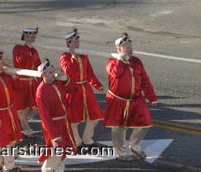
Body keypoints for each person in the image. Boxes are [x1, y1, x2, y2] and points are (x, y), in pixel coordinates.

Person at [104, 33, 158, 161]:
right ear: (119, 49)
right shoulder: (111, 63)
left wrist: (151, 96)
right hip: (118, 101)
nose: (130, 48)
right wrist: (120, 60)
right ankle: (121, 153)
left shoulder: (137, 61)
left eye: (130, 45)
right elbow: (116, 74)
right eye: (126, 46)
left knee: (145, 123)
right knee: (118, 128)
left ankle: (135, 145)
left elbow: (144, 80)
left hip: (136, 99)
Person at [59, 29, 104, 151]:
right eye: (73, 42)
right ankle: (76, 141)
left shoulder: (83, 55)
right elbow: (68, 71)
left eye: (77, 41)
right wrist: (73, 57)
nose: (76, 44)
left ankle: (87, 138)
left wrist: (97, 85)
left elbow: (89, 72)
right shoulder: (64, 57)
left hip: (85, 89)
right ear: (68, 43)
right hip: (72, 90)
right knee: (73, 119)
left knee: (95, 116)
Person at [35, 58, 77, 172]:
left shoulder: (58, 83)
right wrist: (54, 134)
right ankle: (47, 169)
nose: (53, 74)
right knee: (58, 149)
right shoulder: (40, 92)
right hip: (52, 125)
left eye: (53, 72)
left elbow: (74, 89)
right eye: (49, 73)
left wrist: (66, 80)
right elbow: (45, 116)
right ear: (43, 75)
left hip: (64, 121)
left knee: (63, 149)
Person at [12, 27, 41, 139]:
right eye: (29, 36)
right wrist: (27, 49)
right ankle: (25, 127)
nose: (31, 38)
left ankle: (19, 124)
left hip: (31, 82)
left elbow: (38, 65)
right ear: (24, 36)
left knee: (35, 106)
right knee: (21, 107)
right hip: (21, 81)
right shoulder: (18, 48)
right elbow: (19, 61)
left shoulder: (34, 50)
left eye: (33, 36)